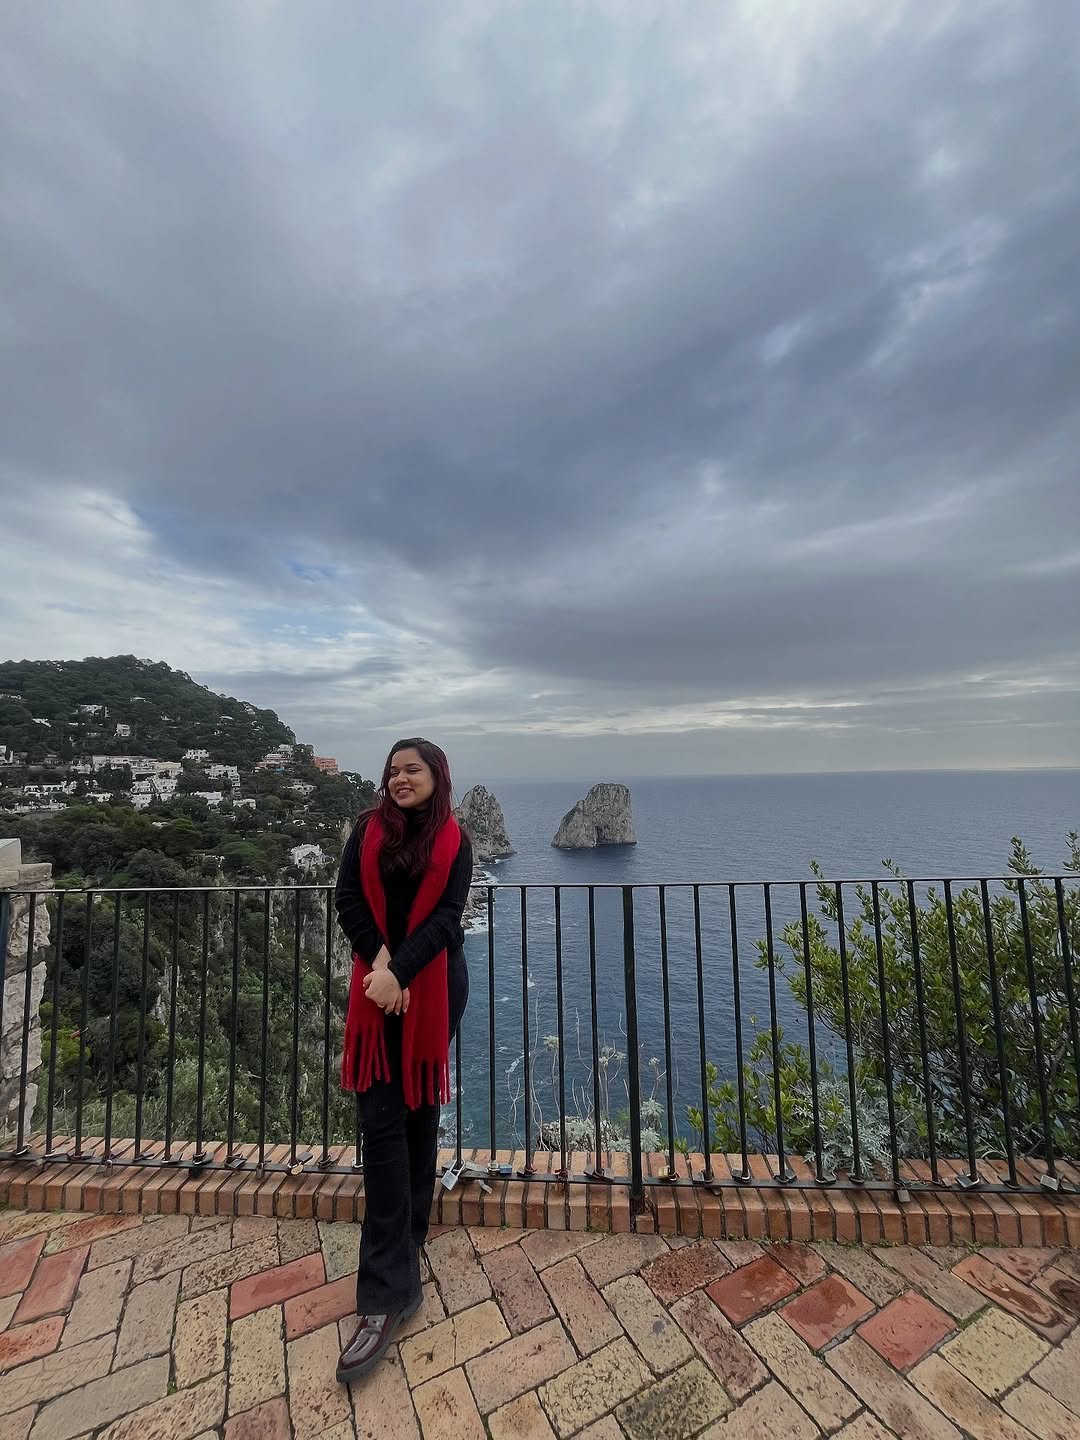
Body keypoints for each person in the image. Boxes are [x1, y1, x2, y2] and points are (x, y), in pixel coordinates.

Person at [333, 737, 472, 1384]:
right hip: (377, 985)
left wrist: (402, 972)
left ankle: (410, 1232)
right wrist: (384, 966)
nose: (399, 779)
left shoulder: (455, 840)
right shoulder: (367, 831)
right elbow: (348, 901)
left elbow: (447, 920)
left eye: (412, 769)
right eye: (392, 771)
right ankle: (388, 1291)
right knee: (382, 1121)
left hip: (434, 988)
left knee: (417, 1109)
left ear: (436, 775)